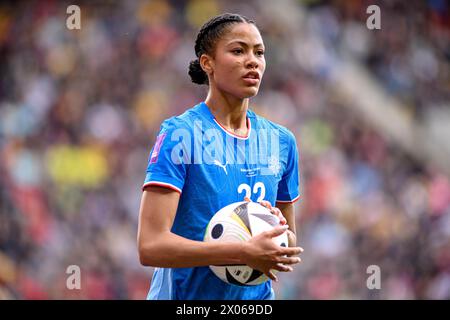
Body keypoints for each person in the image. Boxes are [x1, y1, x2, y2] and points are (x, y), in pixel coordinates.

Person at [137, 13, 303, 300]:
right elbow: (150, 246)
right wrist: (242, 251)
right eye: (238, 51)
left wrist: (274, 231)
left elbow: (290, 242)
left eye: (259, 52)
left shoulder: (281, 141)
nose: (252, 61)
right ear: (207, 63)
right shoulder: (181, 134)